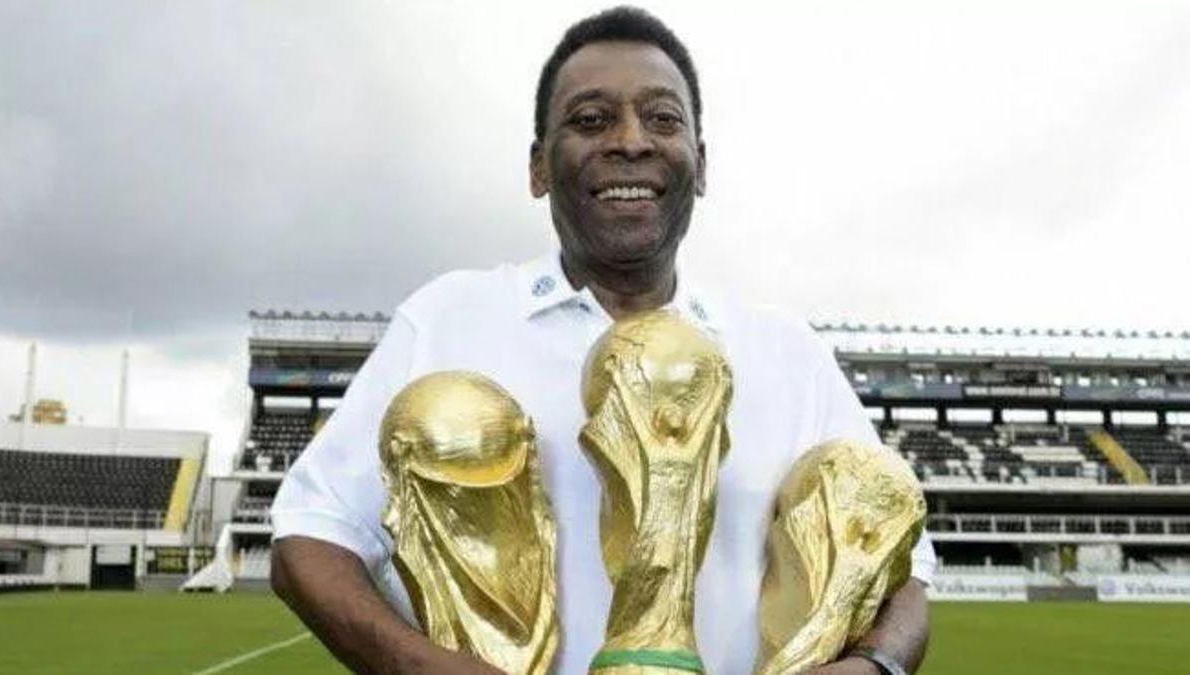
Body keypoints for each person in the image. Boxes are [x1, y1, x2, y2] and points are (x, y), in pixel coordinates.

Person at [270, 7, 935, 674]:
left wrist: (877, 664)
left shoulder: (788, 352)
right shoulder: (449, 317)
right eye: (591, 119)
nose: (630, 141)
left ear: (700, 165)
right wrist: (412, 664)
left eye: (663, 119)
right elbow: (311, 536)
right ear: (538, 167)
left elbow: (905, 567)